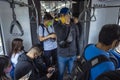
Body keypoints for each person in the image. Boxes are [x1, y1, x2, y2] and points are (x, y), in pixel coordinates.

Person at [54, 7, 80, 80]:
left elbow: (77, 39)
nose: (67, 16)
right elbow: (61, 36)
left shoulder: (74, 26)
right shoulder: (57, 25)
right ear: (61, 16)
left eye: (68, 14)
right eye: (64, 15)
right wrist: (66, 25)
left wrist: (78, 53)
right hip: (62, 55)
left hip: (73, 54)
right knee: (61, 73)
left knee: (71, 73)